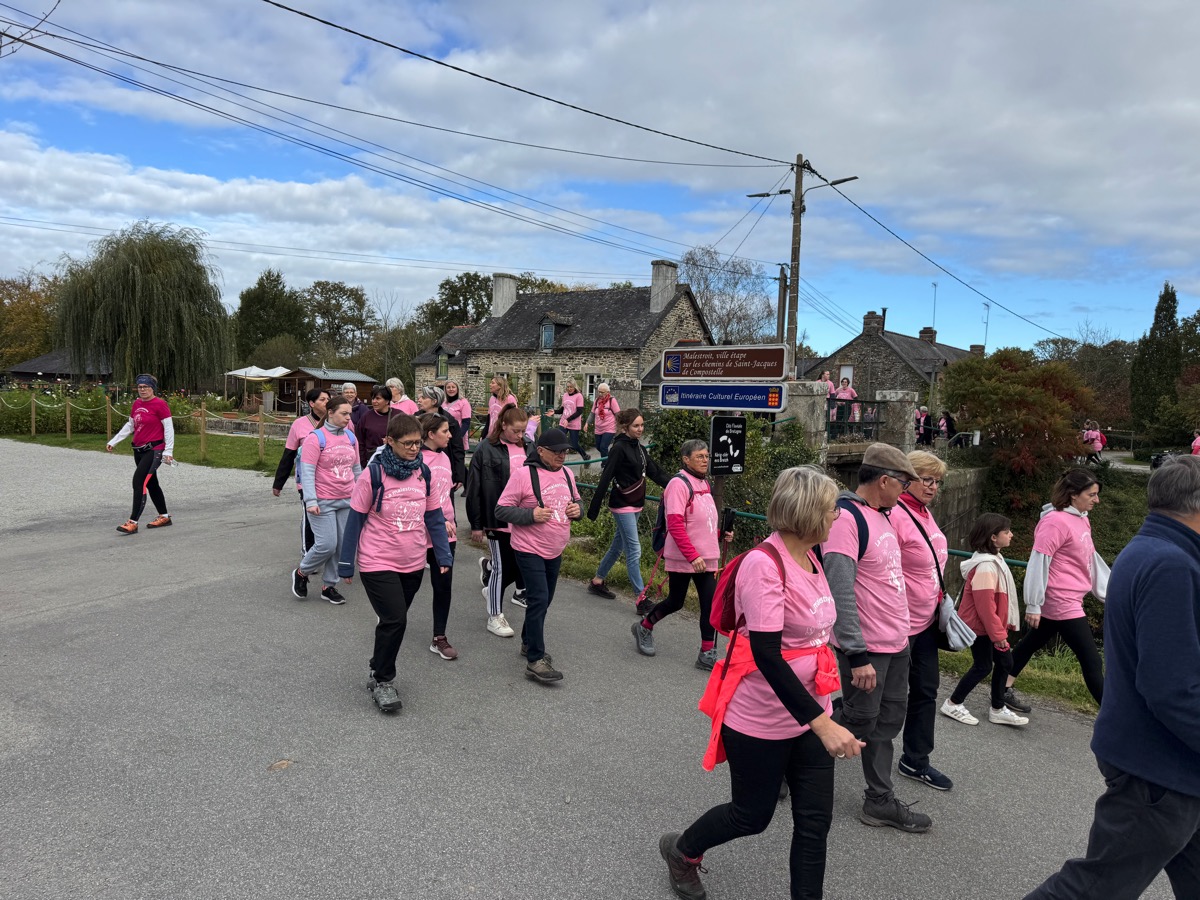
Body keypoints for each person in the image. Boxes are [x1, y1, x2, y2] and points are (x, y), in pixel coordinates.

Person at [658, 466, 864, 900]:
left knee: (815, 823)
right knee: (752, 816)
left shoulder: (814, 555)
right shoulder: (763, 565)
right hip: (762, 719)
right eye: (832, 509)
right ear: (808, 513)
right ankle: (683, 851)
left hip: (812, 711)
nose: (838, 516)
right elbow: (767, 655)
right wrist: (823, 724)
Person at [1023, 455, 1200, 900]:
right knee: (1093, 888)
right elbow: (1172, 688)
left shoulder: (1147, 549)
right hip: (1159, 768)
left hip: (1161, 762)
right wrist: (1034, 602)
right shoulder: (1172, 565)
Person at [823, 443, 931, 833]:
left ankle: (879, 800)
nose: (907, 490)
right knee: (859, 718)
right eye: (903, 483)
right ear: (884, 481)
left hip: (896, 642)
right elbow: (840, 589)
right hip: (867, 647)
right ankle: (790, 758)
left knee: (886, 721)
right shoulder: (847, 519)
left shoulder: (884, 516)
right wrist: (856, 654)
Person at [337, 413, 453, 713]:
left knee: (393, 620)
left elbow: (433, 516)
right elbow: (355, 520)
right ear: (389, 441)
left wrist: (443, 553)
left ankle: (378, 664)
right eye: (407, 443)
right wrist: (346, 563)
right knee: (395, 620)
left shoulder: (423, 473)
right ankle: (384, 681)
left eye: (417, 443)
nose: (414, 449)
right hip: (377, 560)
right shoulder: (373, 475)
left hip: (413, 561)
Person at [1007, 468, 1109, 706]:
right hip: (1060, 600)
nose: (1097, 500)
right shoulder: (1054, 522)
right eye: (1091, 495)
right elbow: (1038, 561)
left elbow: (1090, 558)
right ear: (1073, 494)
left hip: (1071, 597)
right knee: (1091, 660)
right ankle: (1115, 718)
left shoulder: (1082, 519)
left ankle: (1002, 687)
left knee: (1030, 644)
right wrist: (1033, 604)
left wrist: (1110, 591)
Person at [631, 439, 733, 670]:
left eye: (707, 456)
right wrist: (692, 556)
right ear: (686, 459)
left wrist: (721, 534)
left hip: (707, 557)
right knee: (676, 601)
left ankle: (706, 653)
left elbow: (702, 523)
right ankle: (644, 627)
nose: (705, 460)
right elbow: (675, 524)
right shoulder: (678, 484)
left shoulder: (704, 483)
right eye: (699, 456)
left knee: (710, 604)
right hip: (685, 556)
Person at [495, 428, 584, 684]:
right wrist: (530, 515)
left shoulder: (567, 474)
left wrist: (578, 510)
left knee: (544, 601)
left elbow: (578, 502)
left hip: (555, 549)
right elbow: (501, 510)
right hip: (528, 548)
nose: (562, 456)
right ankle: (535, 660)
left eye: (565, 451)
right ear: (541, 451)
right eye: (556, 452)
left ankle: (528, 642)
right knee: (539, 598)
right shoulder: (523, 474)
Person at [891, 450, 954, 791]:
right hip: (897, 622)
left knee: (926, 691)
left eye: (937, 481)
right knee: (876, 699)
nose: (932, 487)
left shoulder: (924, 512)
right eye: (926, 479)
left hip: (926, 620)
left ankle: (916, 760)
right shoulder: (894, 514)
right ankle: (816, 732)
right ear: (906, 478)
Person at [941, 514, 1028, 727]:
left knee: (1002, 662)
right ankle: (953, 703)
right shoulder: (986, 567)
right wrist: (998, 635)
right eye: (1006, 532)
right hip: (980, 627)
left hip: (987, 626)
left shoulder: (994, 560)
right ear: (993, 537)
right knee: (984, 666)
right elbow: (985, 606)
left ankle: (997, 708)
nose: (1011, 535)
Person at [586, 408, 669, 602]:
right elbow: (606, 476)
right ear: (625, 427)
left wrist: (678, 484)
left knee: (618, 546)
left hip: (636, 503)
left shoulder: (639, 448)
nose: (640, 429)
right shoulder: (619, 448)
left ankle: (597, 581)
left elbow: (655, 472)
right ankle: (641, 598)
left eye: (642, 425)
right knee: (634, 549)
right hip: (622, 504)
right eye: (636, 426)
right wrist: (593, 508)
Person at [464, 403, 531, 637]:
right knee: (502, 568)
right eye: (516, 431)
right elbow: (474, 488)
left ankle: (490, 579)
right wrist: (476, 524)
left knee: (518, 565)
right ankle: (494, 616)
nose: (520, 435)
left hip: (523, 518)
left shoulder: (528, 446)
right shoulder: (486, 448)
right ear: (503, 425)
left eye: (523, 431)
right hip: (496, 518)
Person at [293, 396, 361, 605]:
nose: (348, 418)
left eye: (350, 414)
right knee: (326, 545)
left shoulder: (351, 437)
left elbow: (357, 469)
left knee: (341, 546)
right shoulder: (316, 438)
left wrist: (362, 497)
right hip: (322, 501)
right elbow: (307, 472)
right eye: (344, 413)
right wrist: (311, 500)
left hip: (347, 499)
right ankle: (302, 572)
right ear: (330, 413)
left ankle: (329, 586)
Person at [106, 374, 175, 534]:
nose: (142, 390)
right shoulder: (137, 403)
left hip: (154, 449)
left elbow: (168, 428)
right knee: (152, 483)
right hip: (139, 450)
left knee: (139, 482)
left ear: (152, 388)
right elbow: (131, 425)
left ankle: (133, 522)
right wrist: (114, 441)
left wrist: (168, 450)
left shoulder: (160, 404)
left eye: (146, 387)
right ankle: (164, 516)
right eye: (140, 387)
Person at [419, 413, 459, 661]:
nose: (450, 435)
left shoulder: (444, 457)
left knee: (443, 586)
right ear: (431, 434)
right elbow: (415, 497)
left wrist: (450, 520)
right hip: (418, 532)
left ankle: (439, 636)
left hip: (446, 534)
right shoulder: (417, 459)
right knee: (409, 585)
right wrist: (438, 520)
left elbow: (445, 494)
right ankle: (391, 621)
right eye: (445, 431)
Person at [272, 388, 329, 560]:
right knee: (310, 516)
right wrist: (278, 483)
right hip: (306, 480)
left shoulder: (336, 423)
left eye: (328, 399)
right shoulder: (299, 424)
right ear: (312, 404)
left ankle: (326, 552)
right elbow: (289, 454)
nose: (327, 402)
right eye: (322, 399)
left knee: (328, 517)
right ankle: (308, 554)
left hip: (330, 480)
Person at [415, 385, 466, 486]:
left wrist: (459, 475)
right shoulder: (416, 419)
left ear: (434, 401)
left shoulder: (450, 421)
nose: (419, 400)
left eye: (423, 397)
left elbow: (458, 449)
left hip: (444, 470)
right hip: (420, 471)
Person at [548, 377, 590, 460]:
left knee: (574, 445)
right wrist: (554, 412)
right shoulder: (565, 395)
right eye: (568, 387)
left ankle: (585, 456)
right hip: (563, 422)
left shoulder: (579, 396)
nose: (569, 389)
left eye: (571, 387)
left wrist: (568, 419)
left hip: (574, 424)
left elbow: (579, 411)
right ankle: (558, 459)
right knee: (559, 440)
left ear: (574, 387)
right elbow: (563, 409)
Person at [355, 385, 393, 468]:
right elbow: (359, 441)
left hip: (393, 461)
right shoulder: (366, 417)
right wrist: (363, 462)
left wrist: (392, 442)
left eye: (378, 398)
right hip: (372, 462)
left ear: (387, 400)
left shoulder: (398, 416)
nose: (374, 401)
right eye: (373, 398)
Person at [585, 382, 620, 458]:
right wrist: (587, 423)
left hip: (609, 428)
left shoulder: (612, 400)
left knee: (603, 447)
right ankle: (610, 458)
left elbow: (618, 414)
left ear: (607, 392)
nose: (600, 394)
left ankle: (605, 463)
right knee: (598, 447)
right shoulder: (597, 401)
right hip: (598, 429)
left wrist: (621, 427)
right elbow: (592, 413)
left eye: (602, 392)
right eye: (599, 392)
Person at [442, 380, 472, 451]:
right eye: (448, 387)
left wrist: (458, 436)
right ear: (445, 389)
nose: (451, 389)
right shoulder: (443, 402)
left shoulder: (464, 402)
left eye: (453, 387)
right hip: (444, 436)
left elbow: (466, 422)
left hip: (458, 435)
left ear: (457, 389)